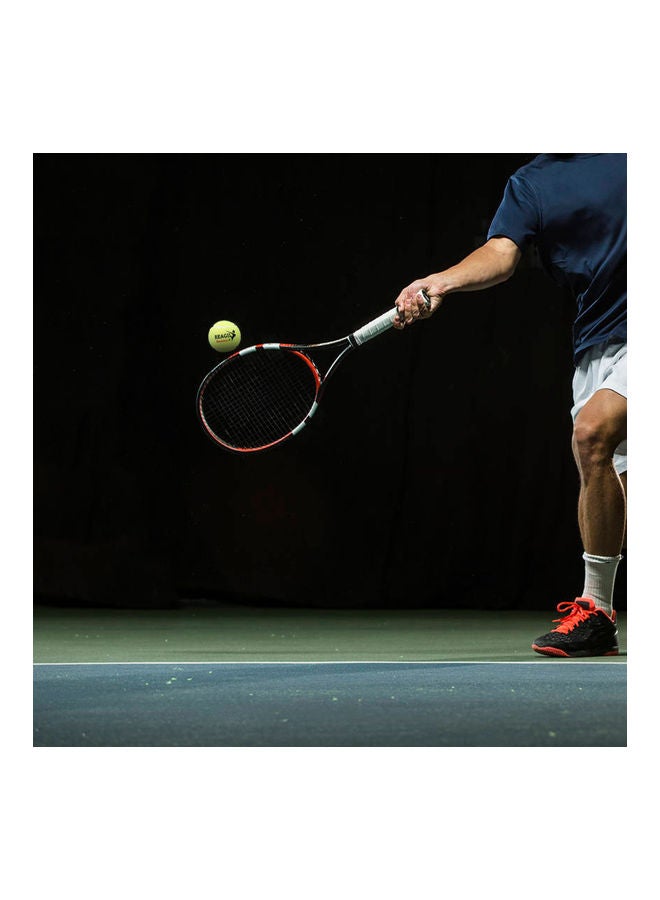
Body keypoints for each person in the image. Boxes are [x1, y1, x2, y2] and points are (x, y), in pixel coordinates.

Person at [394, 153, 626, 658]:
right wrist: (443, 280)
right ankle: (599, 620)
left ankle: (592, 603)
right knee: (613, 476)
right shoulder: (531, 182)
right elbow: (501, 253)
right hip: (597, 338)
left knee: (592, 433)